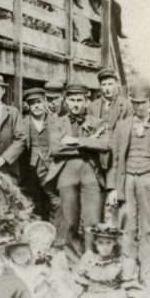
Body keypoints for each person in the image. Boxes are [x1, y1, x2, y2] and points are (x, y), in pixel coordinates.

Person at [106, 80, 150, 285]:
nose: (139, 107)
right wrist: (112, 188)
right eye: (135, 103)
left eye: (143, 103)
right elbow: (115, 158)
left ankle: (148, 275)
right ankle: (129, 275)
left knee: (149, 229)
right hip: (127, 181)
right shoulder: (122, 126)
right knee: (127, 228)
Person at [45, 83, 110, 260]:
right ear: (65, 100)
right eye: (72, 100)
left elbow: (105, 144)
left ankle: (91, 257)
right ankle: (72, 259)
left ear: (86, 102)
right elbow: (56, 148)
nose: (75, 104)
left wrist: (75, 141)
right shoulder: (56, 122)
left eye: (79, 100)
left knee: (93, 219)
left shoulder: (98, 122)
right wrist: (89, 142)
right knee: (69, 220)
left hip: (91, 172)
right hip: (66, 172)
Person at [71, 223, 144, 298]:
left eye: (108, 243)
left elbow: (130, 286)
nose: (104, 247)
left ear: (114, 242)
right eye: (100, 243)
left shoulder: (121, 261)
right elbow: (79, 283)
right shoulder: (88, 259)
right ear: (95, 242)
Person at [18, 88, 62, 227]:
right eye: (32, 103)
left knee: (54, 199)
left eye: (38, 102)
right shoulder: (22, 122)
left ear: (44, 103)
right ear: (28, 106)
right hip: (29, 169)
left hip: (51, 167)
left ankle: (55, 231)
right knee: (33, 201)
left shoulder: (56, 122)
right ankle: (35, 231)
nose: (36, 106)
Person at [88, 68, 133, 135]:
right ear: (100, 86)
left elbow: (128, 132)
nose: (107, 88)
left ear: (116, 84)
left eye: (110, 84)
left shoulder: (127, 105)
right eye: (104, 85)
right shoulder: (92, 106)